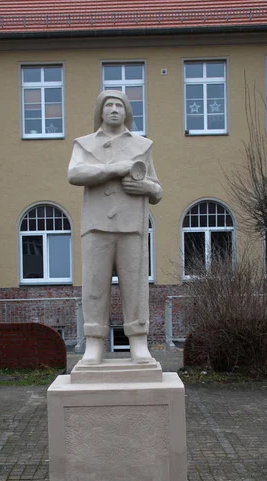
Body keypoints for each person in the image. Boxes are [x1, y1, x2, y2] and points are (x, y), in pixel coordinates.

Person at [68, 90, 163, 365]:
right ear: (99, 111)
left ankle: (138, 342)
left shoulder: (143, 146)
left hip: (131, 226)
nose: (113, 109)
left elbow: (157, 191)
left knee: (135, 288)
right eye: (108, 105)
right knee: (94, 287)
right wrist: (115, 168)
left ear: (127, 112)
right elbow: (74, 173)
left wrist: (146, 186)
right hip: (96, 227)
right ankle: (94, 344)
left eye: (119, 105)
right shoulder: (83, 144)